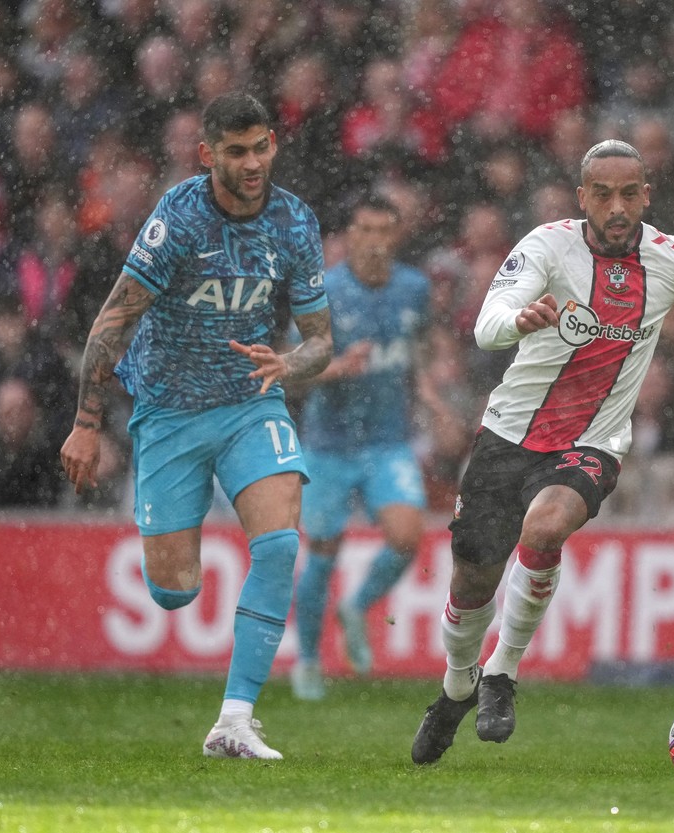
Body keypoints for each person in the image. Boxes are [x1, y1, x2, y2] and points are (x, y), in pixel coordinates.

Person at [410, 140, 674, 765]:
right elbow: (486, 321)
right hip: (508, 435)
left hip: (593, 441)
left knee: (546, 524)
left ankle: (502, 673)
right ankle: (455, 686)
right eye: (602, 194)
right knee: (472, 575)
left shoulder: (672, 257)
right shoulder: (547, 245)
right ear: (582, 198)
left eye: (628, 194)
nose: (616, 207)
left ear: (646, 196)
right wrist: (519, 320)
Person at [59, 92, 333, 760]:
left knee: (278, 546)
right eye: (233, 151)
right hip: (170, 411)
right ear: (208, 154)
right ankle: (182, 541)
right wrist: (86, 424)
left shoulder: (296, 222)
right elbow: (114, 319)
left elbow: (321, 340)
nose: (249, 162)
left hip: (250, 403)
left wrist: (291, 360)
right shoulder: (179, 217)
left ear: (273, 144)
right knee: (174, 589)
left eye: (258, 147)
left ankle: (234, 720)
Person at [289, 195, 432, 701]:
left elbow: (419, 351)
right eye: (364, 230)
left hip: (387, 441)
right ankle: (307, 660)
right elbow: (293, 370)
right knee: (323, 553)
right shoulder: (322, 292)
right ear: (349, 235)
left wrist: (432, 393)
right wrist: (335, 369)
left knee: (407, 535)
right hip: (328, 444)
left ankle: (355, 608)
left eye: (384, 231)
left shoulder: (416, 289)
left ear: (397, 237)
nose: (374, 241)